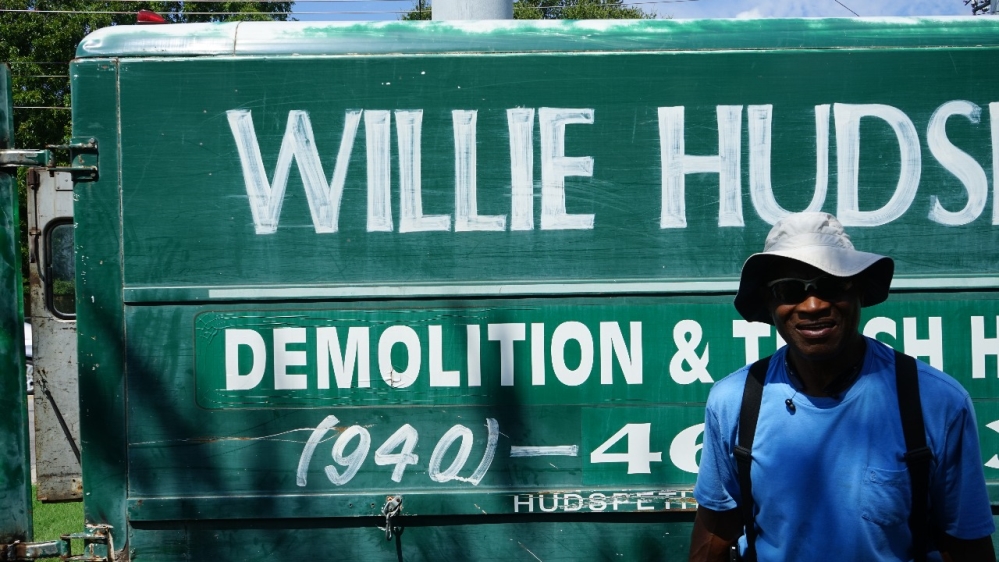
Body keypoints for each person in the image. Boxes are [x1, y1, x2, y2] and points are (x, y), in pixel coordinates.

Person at [689, 212, 995, 562]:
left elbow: (967, 546)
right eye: (790, 290)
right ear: (770, 304)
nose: (814, 305)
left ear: (859, 292)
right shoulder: (736, 400)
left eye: (832, 285)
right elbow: (714, 534)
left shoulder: (936, 401)